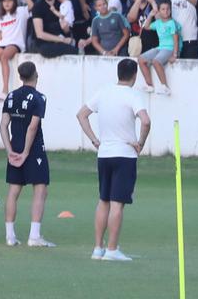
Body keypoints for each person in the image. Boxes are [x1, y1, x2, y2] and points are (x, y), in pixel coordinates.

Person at [77, 57, 150, 262]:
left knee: (103, 201)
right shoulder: (133, 95)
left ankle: (98, 248)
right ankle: (112, 249)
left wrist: (94, 140)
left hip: (104, 154)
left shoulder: (103, 92)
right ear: (135, 76)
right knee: (117, 204)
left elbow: (81, 114)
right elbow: (146, 121)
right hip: (124, 155)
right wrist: (141, 143)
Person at [0, 61, 54, 248]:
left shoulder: (11, 96)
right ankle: (34, 236)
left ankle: (10, 236)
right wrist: (25, 153)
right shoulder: (39, 98)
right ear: (36, 75)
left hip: (14, 147)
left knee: (14, 190)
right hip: (34, 149)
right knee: (40, 189)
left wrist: (10, 151)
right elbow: (33, 127)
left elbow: (3, 126)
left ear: (20, 76)